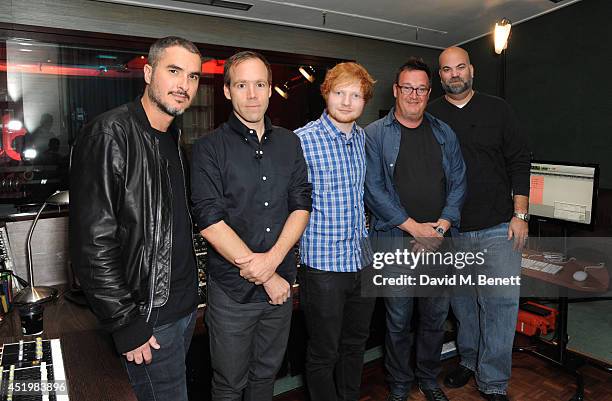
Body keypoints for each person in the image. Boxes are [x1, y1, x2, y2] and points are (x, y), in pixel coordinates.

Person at [70, 36, 203, 401]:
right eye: (174, 71)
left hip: (182, 309)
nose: (184, 85)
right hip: (146, 317)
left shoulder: (173, 138)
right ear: (148, 72)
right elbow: (92, 246)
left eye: (192, 77)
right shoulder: (109, 134)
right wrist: (125, 324)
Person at [190, 50, 312, 401]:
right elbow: (209, 221)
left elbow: (301, 205)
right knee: (229, 384)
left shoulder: (290, 143)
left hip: (280, 288)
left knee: (265, 378)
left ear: (271, 89)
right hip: (231, 292)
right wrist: (266, 274)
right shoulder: (207, 148)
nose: (253, 94)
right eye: (242, 85)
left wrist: (273, 265)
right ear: (227, 91)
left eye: (260, 84)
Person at [428, 46, 530, 401]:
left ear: (472, 70)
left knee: (500, 306)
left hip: (498, 228)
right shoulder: (430, 114)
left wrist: (520, 215)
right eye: (446, 70)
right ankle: (469, 361)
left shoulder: (498, 109)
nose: (454, 74)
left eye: (460, 68)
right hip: (452, 230)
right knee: (463, 306)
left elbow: (519, 161)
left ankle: (494, 381)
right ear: (439, 76)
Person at [364, 57, 466, 401]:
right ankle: (398, 384)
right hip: (394, 243)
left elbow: (459, 182)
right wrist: (413, 228)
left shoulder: (443, 132)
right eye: (407, 87)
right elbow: (373, 189)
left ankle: (428, 379)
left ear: (428, 91)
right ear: (396, 90)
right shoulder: (374, 136)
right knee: (397, 322)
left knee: (435, 318)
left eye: (421, 89)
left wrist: (440, 228)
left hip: (438, 243)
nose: (414, 95)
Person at [295, 62, 376, 401]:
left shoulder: (363, 140)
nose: (346, 101)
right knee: (324, 352)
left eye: (355, 95)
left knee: (355, 344)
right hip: (323, 266)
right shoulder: (301, 141)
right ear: (326, 93)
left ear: (364, 101)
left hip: (362, 261)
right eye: (340, 93)